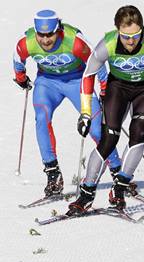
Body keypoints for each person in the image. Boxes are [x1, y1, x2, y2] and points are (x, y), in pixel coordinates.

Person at [67, 5, 144, 215]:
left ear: (142, 30)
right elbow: (88, 75)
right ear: (117, 31)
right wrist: (85, 112)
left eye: (136, 35)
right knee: (109, 138)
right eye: (125, 36)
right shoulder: (108, 44)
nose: (131, 41)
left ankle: (119, 188)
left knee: (138, 134)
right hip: (118, 87)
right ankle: (86, 194)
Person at [13, 9, 121, 197]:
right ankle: (53, 174)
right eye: (41, 35)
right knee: (41, 118)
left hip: (77, 81)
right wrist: (21, 78)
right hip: (47, 83)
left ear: (58, 29)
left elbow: (97, 63)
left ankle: (119, 173)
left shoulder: (74, 40)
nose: (45, 40)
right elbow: (17, 59)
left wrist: (105, 90)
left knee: (96, 128)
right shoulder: (27, 42)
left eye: (50, 35)